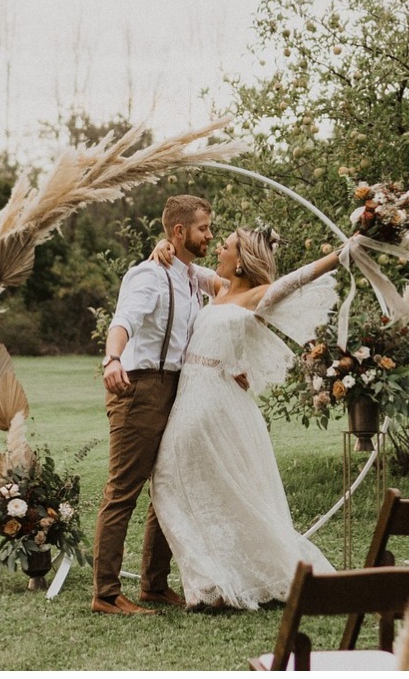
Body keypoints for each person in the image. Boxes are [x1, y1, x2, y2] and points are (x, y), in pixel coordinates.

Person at [149, 224, 352, 611]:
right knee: (177, 481)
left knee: (172, 478)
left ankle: (214, 583)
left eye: (224, 247)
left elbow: (298, 278)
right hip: (192, 391)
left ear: (240, 262)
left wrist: (342, 253)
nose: (218, 251)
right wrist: (164, 245)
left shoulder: (257, 297)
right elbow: (183, 266)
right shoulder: (220, 289)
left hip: (212, 399)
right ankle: (210, 580)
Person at [93, 194, 239, 616]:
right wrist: (112, 358)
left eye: (211, 229)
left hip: (180, 387)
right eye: (203, 229)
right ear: (179, 232)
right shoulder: (149, 275)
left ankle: (155, 585)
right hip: (140, 388)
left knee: (169, 485)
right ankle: (105, 594)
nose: (210, 235)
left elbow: (235, 289)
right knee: (124, 490)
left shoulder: (192, 275)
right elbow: (123, 321)